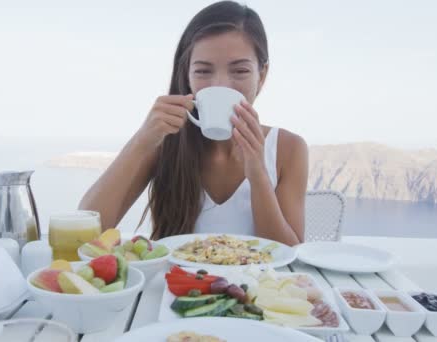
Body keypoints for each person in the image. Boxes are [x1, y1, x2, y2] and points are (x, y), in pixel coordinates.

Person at [79, 1, 308, 246]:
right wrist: (141, 141)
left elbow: (290, 254)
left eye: (240, 71)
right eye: (202, 71)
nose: (220, 84)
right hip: (176, 284)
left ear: (261, 77)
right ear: (186, 75)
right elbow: (86, 231)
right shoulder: (164, 139)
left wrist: (258, 175)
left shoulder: (288, 148)